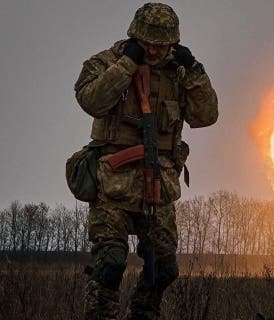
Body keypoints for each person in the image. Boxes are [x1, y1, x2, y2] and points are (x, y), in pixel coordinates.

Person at [74, 3, 218, 319]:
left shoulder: (180, 73)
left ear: (173, 42)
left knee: (164, 268)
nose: (154, 50)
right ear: (136, 36)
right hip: (113, 186)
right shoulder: (108, 62)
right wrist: (127, 64)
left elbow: (206, 115)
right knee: (110, 264)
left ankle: (143, 312)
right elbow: (90, 100)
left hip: (159, 185)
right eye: (148, 42)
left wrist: (195, 71)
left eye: (161, 44)